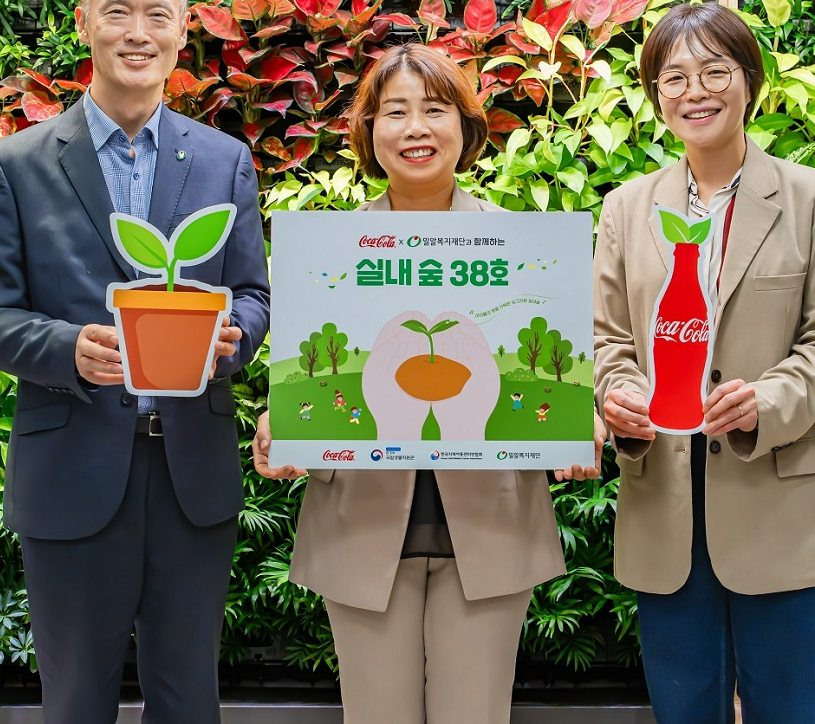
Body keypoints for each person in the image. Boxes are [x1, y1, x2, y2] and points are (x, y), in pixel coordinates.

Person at [251, 44, 604, 724]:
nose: (415, 129)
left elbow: (559, 383)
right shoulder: (328, 251)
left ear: (466, 129)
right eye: (395, 112)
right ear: (369, 132)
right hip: (358, 528)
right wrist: (279, 428)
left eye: (435, 110)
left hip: (493, 526)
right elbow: (308, 381)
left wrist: (575, 422)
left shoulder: (521, 247)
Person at [0, 0, 270, 724]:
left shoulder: (223, 161)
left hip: (189, 474)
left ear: (180, 35)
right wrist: (69, 349)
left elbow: (254, 294)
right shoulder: (13, 165)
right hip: (70, 472)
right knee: (74, 700)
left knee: (189, 697)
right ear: (85, 26)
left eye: (157, 16)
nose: (138, 32)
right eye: (118, 12)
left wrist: (237, 330)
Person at [592, 2, 815, 724]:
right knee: (683, 710)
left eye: (715, 71)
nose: (695, 91)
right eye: (674, 76)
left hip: (779, 496)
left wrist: (767, 402)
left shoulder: (814, 200)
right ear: (656, 96)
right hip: (665, 503)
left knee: (785, 710)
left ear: (749, 82)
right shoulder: (626, 209)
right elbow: (609, 341)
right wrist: (619, 397)